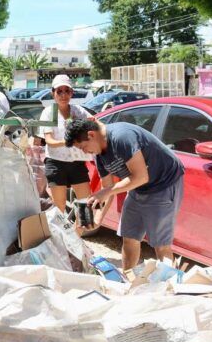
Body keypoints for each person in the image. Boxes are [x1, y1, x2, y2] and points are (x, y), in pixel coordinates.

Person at [65, 118, 185, 270]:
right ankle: (128, 280)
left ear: (91, 134)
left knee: (160, 245)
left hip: (163, 184)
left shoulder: (122, 137)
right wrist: (97, 219)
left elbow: (141, 176)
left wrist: (105, 192)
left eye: (83, 147)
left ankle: (170, 287)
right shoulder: (99, 154)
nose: (84, 152)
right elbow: (107, 187)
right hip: (137, 187)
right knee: (129, 236)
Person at [33, 75, 93, 212]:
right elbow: (49, 141)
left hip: (77, 162)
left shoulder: (78, 111)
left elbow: (94, 123)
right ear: (52, 93)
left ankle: (77, 233)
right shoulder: (49, 112)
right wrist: (68, 141)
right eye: (59, 91)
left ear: (72, 93)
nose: (63, 95)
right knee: (59, 209)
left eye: (67, 91)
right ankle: (59, 234)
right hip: (56, 163)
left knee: (86, 207)